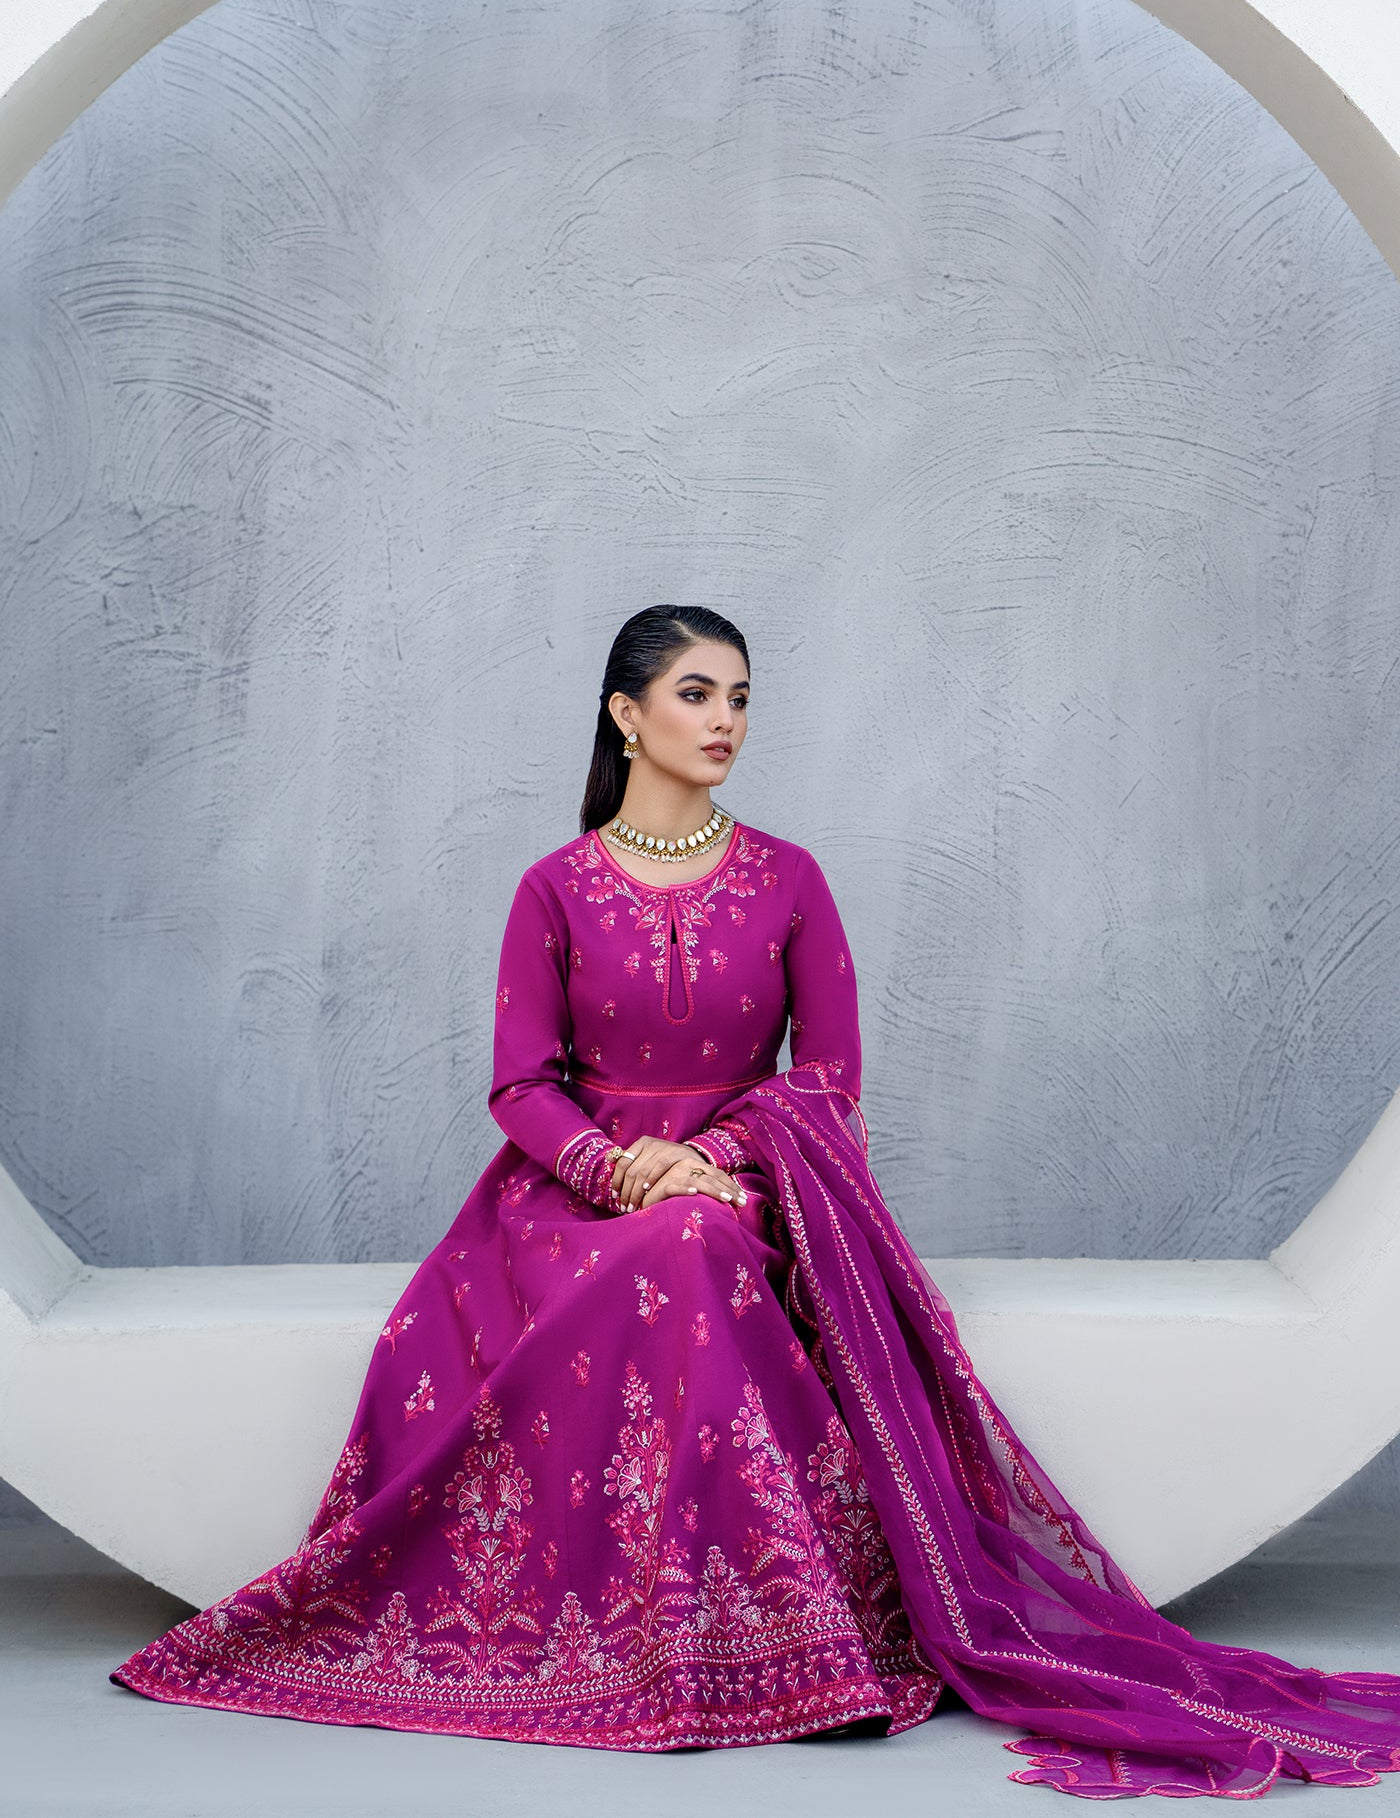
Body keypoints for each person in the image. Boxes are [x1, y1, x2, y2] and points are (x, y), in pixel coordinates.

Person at [112, 602, 1400, 1796]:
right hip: (566, 1198)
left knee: (694, 1238)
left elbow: (828, 1075)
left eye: (739, 696)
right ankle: (704, 1639)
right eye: (696, 693)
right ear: (626, 714)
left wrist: (718, 1159)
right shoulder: (555, 886)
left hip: (756, 1186)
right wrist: (621, 1167)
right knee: (667, 1242)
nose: (725, 719)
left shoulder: (789, 878)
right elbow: (518, 1084)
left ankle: (758, 1636)